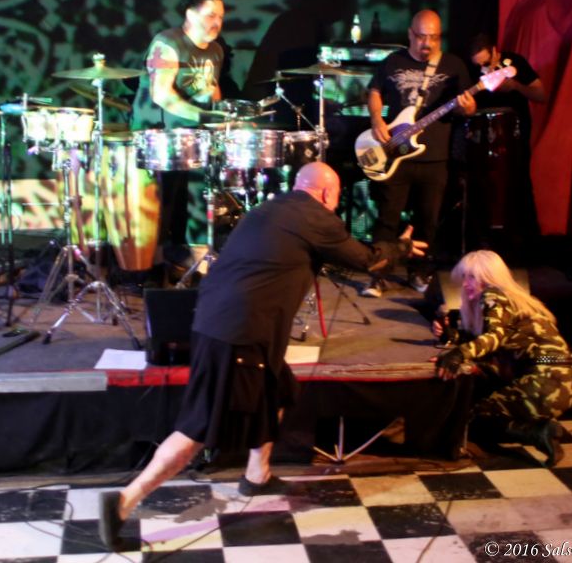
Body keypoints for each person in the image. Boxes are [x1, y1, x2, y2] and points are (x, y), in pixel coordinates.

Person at [98, 162, 427, 550]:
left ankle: (257, 475)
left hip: (219, 322)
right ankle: (124, 501)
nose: (335, 205)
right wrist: (401, 247)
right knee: (197, 429)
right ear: (327, 193)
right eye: (336, 196)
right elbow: (368, 260)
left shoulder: (270, 208)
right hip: (240, 334)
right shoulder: (314, 216)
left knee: (278, 390)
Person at [361, 10, 476, 298]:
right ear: (410, 34)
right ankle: (378, 276)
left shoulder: (453, 65)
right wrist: (376, 119)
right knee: (387, 217)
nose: (427, 44)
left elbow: (468, 107)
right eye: (422, 37)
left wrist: (468, 107)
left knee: (428, 219)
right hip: (395, 154)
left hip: (435, 156)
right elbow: (374, 91)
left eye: (434, 38)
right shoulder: (393, 61)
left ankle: (420, 272)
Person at [432, 250, 572, 466]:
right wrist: (453, 337)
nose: (466, 284)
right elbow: (505, 341)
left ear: (489, 277)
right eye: (464, 277)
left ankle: (538, 432)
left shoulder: (492, 295)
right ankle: (538, 428)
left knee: (470, 419)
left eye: (473, 277)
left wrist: (458, 354)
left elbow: (495, 337)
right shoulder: (516, 299)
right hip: (560, 378)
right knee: (480, 406)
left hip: (541, 382)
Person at [131, 0, 227, 273]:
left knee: (200, 193)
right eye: (210, 15)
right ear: (190, 14)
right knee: (162, 203)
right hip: (157, 134)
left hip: (193, 135)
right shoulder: (168, 43)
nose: (217, 23)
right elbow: (162, 95)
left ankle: (197, 260)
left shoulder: (216, 50)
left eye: (221, 17)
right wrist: (204, 115)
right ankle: (153, 266)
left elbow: (212, 91)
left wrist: (223, 115)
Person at [467, 34, 546, 257]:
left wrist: (516, 86)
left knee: (518, 183)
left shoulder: (516, 62)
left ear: (495, 51)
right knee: (482, 187)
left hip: (513, 137)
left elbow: (541, 94)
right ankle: (482, 240)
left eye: (485, 62)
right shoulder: (470, 70)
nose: (482, 68)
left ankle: (524, 243)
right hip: (480, 138)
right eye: (478, 65)